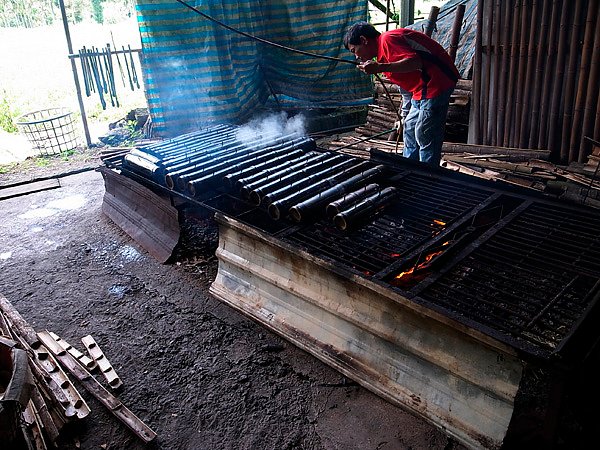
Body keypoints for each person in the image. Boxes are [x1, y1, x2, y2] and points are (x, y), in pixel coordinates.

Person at [344, 22, 459, 166]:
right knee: (409, 129)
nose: (356, 57)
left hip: (437, 81)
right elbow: (406, 88)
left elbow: (415, 62)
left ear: (363, 40)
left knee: (424, 133)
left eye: (355, 50)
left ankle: (428, 175)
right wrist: (404, 115)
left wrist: (380, 67)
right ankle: (408, 168)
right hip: (421, 89)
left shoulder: (387, 40)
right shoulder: (381, 57)